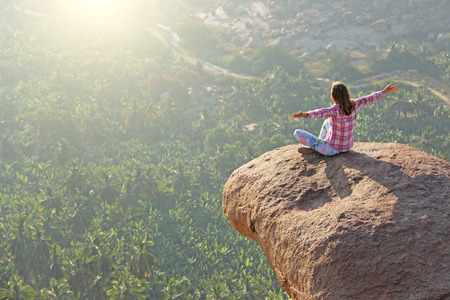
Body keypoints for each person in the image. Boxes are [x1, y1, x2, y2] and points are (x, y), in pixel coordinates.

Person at [290, 82, 398, 156]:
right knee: (327, 121)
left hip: (331, 150)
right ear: (347, 94)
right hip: (347, 147)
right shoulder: (355, 104)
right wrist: (384, 91)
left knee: (297, 133)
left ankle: (321, 146)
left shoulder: (334, 110)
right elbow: (368, 98)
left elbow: (320, 112)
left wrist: (304, 114)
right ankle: (322, 141)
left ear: (334, 96)